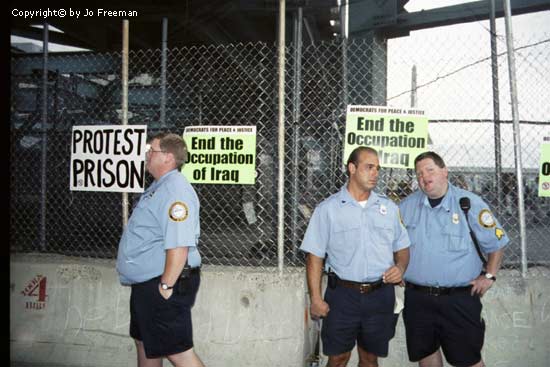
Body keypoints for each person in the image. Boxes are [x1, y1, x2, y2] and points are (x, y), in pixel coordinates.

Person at [300, 146, 410, 367]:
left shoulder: (388, 208)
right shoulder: (328, 209)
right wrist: (316, 298)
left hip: (380, 295)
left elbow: (403, 246)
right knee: (338, 358)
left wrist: (400, 267)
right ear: (352, 168)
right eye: (369, 167)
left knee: (370, 359)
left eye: (377, 168)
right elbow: (314, 257)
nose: (375, 173)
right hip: (342, 296)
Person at [399, 151, 509, 367]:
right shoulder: (406, 207)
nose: (424, 177)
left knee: (468, 359)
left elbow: (498, 243)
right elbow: (392, 242)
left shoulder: (469, 204)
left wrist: (489, 276)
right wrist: (398, 267)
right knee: (426, 354)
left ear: (444, 171)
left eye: (430, 170)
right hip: (418, 298)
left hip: (458, 299)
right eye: (419, 174)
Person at [116, 132, 205, 367]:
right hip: (148, 282)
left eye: (151, 150)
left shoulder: (175, 190)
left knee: (178, 352)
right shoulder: (160, 186)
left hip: (163, 282)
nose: (146, 154)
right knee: (145, 343)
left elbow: (179, 244)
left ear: (167, 157)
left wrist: (166, 285)